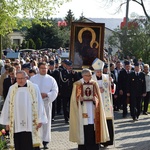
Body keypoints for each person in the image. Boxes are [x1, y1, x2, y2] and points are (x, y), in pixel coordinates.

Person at [0, 70, 47, 150]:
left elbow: (39, 103)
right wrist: (7, 122)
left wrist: (40, 119)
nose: (20, 80)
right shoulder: (12, 89)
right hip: (16, 121)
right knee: (19, 143)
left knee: (31, 143)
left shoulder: (34, 87)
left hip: (31, 121)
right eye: (18, 78)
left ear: (26, 78)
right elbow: (7, 105)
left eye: (22, 78)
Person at [69, 68, 109, 150]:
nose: (91, 77)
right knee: (84, 131)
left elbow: (98, 98)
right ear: (83, 76)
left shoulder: (94, 84)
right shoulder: (77, 84)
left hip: (93, 111)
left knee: (93, 131)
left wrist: (95, 100)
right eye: (89, 75)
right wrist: (79, 100)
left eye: (91, 75)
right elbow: (73, 101)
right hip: (82, 111)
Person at [30, 62, 58, 149]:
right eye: (42, 68)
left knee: (46, 122)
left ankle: (45, 141)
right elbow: (29, 90)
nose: (44, 70)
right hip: (35, 105)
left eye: (45, 68)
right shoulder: (33, 79)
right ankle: (36, 141)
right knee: (36, 122)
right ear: (38, 68)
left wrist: (47, 95)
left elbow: (55, 91)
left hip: (46, 103)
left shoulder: (51, 79)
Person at [92, 58, 115, 147]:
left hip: (106, 103)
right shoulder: (92, 78)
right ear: (95, 71)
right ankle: (98, 141)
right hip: (96, 103)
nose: (99, 73)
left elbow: (112, 90)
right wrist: (97, 89)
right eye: (97, 71)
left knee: (108, 121)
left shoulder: (106, 77)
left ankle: (107, 142)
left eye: (100, 71)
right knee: (98, 122)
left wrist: (111, 83)